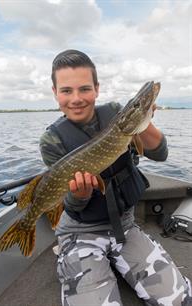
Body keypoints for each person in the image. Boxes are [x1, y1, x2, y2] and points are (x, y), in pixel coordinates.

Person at [40, 49, 192, 306]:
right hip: (80, 232)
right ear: (55, 93)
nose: (76, 98)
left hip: (126, 226)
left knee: (180, 300)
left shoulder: (115, 113)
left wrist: (143, 120)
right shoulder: (52, 140)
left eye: (84, 89)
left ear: (96, 89)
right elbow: (71, 205)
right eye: (67, 90)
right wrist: (80, 195)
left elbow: (161, 153)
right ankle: (71, 255)